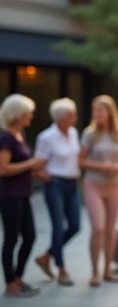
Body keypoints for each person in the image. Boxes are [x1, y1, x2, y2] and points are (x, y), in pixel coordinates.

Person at [79, 95, 118, 287]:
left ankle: (107, 270)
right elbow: (80, 160)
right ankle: (94, 272)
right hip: (93, 184)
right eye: (94, 111)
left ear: (109, 112)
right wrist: (101, 166)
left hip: (115, 185)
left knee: (110, 231)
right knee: (98, 228)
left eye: (99, 110)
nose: (96, 114)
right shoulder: (89, 134)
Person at [0, 94, 47, 297]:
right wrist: (31, 163)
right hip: (9, 195)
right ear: (18, 114)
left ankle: (18, 278)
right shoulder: (6, 137)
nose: (31, 115)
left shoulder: (21, 135)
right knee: (12, 239)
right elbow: (3, 169)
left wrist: (37, 172)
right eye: (29, 111)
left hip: (23, 193)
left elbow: (21, 166)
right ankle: (10, 284)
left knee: (30, 236)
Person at [34, 98, 81, 286]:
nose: (75, 117)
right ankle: (61, 268)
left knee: (75, 226)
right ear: (61, 117)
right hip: (56, 185)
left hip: (72, 184)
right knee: (57, 226)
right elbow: (37, 165)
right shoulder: (46, 137)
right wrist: (48, 178)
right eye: (72, 114)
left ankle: (46, 256)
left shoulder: (74, 133)